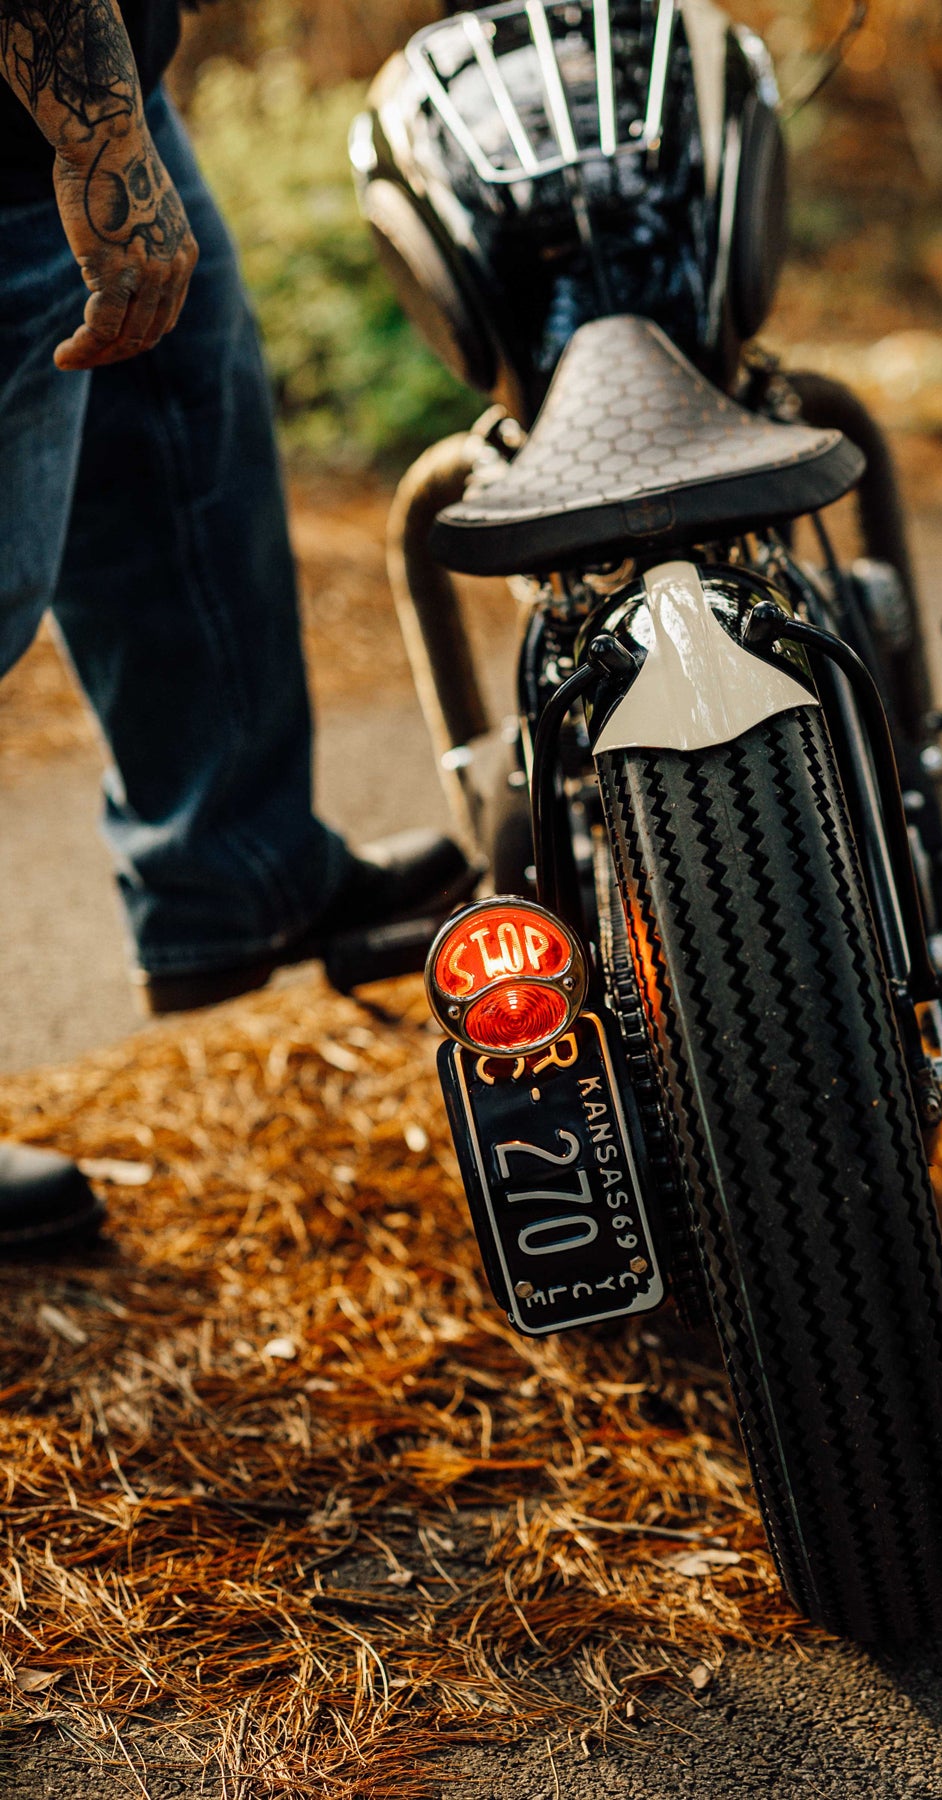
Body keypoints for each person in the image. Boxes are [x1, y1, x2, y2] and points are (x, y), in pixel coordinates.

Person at [0, 0, 473, 1253]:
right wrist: (93, 138)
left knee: (173, 434)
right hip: (32, 120)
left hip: (88, 95)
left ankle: (233, 865)